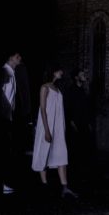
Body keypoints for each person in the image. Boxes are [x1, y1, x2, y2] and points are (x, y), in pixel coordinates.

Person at [31, 65, 77, 198]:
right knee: (43, 152)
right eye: (59, 71)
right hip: (47, 126)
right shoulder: (44, 87)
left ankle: (65, 187)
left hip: (57, 127)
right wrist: (46, 130)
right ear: (52, 72)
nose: (61, 72)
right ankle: (44, 185)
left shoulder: (58, 89)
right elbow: (43, 109)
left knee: (61, 153)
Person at [0, 51, 30, 195]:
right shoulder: (4, 73)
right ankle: (2, 184)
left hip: (8, 118)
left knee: (8, 151)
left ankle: (4, 182)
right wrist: (4, 115)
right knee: (3, 151)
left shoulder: (12, 73)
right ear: (10, 58)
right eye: (17, 57)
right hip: (3, 119)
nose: (20, 59)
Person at [64, 69, 95, 180]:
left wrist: (89, 123)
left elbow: (85, 108)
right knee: (75, 149)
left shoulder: (82, 90)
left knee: (84, 148)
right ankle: (73, 174)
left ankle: (83, 173)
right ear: (76, 77)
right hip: (75, 124)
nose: (84, 76)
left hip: (84, 124)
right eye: (82, 75)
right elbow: (68, 107)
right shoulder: (71, 90)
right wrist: (71, 122)